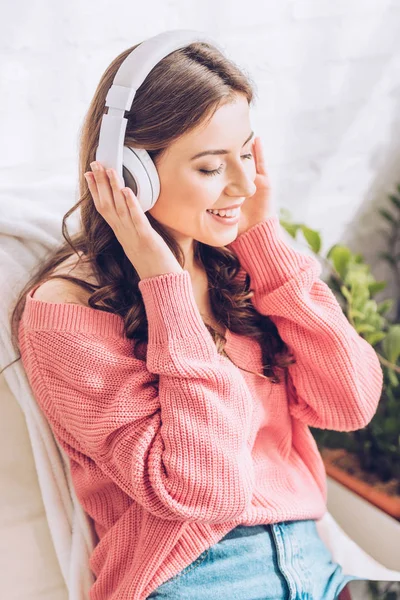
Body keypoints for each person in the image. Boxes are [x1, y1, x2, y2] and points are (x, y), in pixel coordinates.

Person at [10, 36, 380, 600]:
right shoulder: (68, 314)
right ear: (132, 175)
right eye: (210, 167)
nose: (244, 185)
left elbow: (349, 401)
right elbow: (205, 490)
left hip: (315, 564)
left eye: (247, 155)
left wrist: (266, 243)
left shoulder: (244, 267)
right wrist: (168, 290)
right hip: (198, 575)